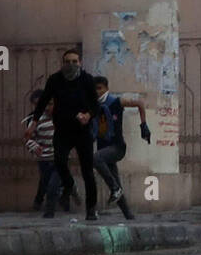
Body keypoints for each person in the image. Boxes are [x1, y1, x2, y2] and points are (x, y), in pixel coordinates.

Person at [30, 49, 100, 219]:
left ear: (80, 63)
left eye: (74, 61)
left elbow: (95, 105)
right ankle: (69, 185)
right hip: (62, 130)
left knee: (87, 171)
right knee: (60, 162)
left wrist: (88, 115)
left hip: (82, 131)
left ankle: (91, 210)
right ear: (63, 63)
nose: (71, 65)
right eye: (67, 61)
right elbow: (43, 101)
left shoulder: (87, 80)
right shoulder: (55, 80)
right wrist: (33, 123)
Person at [91, 76, 151, 220]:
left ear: (106, 88)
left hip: (117, 147)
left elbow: (140, 103)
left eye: (99, 88)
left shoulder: (116, 102)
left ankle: (115, 189)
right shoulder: (92, 106)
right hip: (104, 148)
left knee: (96, 158)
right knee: (114, 179)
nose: (97, 92)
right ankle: (128, 214)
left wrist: (143, 125)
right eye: (94, 89)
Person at [22, 90, 62, 218]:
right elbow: (27, 138)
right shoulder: (34, 120)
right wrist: (34, 146)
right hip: (44, 159)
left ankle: (49, 212)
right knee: (46, 182)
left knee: (52, 185)